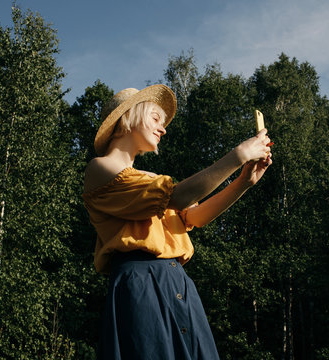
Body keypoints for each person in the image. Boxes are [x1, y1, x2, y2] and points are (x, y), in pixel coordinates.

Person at [82, 84, 272, 359]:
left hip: (177, 280)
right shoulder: (100, 169)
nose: (163, 128)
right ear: (130, 116)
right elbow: (179, 197)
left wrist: (244, 182)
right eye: (156, 118)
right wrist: (238, 155)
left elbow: (193, 216)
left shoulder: (151, 180)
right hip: (141, 282)